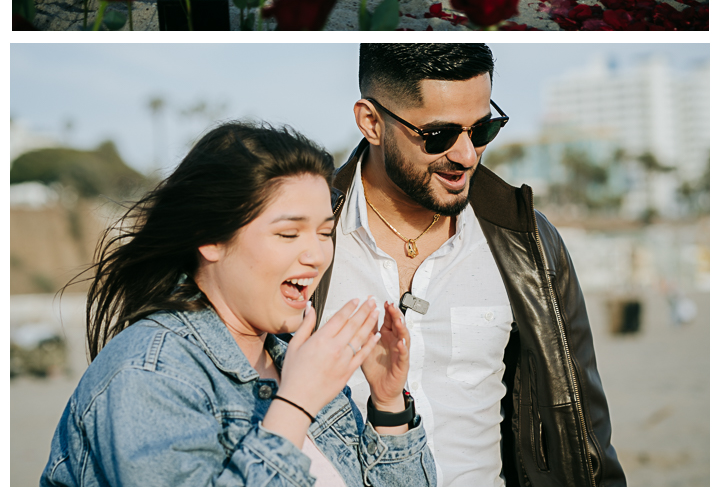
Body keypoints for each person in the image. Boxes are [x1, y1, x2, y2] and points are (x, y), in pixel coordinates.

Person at [40, 124, 435, 487]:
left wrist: (388, 406)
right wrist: (295, 403)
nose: (316, 255)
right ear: (210, 238)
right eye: (288, 233)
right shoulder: (149, 372)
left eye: (324, 232)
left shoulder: (293, 355)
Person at [315, 45, 626, 487]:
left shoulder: (529, 242)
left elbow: (583, 428)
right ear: (371, 122)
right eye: (439, 136)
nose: (466, 155)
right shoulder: (305, 237)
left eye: (482, 130)